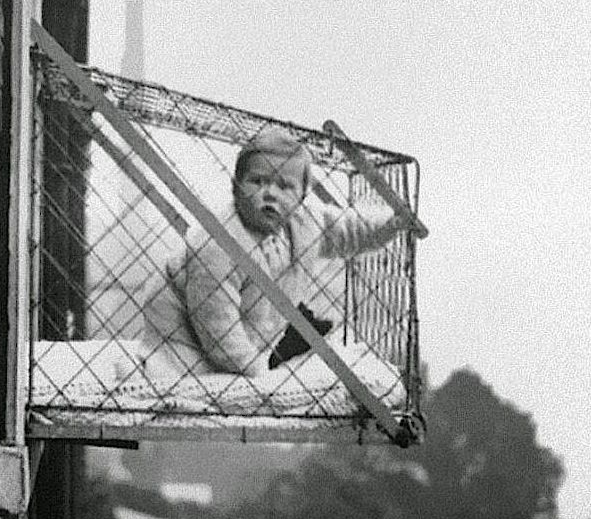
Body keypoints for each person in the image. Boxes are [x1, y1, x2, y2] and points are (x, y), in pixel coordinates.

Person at [137, 129, 407, 379]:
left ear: (302, 196)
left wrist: (391, 224)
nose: (270, 194)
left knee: (253, 365)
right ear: (235, 186)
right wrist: (257, 376)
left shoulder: (305, 223)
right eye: (257, 181)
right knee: (183, 380)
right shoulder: (217, 244)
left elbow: (351, 230)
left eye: (285, 186)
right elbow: (217, 326)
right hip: (180, 334)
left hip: (250, 331)